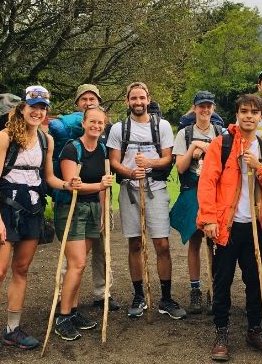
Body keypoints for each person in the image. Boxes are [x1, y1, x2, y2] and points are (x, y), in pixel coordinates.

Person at [0, 85, 73, 364]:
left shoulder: (46, 141)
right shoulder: (5, 136)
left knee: (22, 270)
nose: (38, 112)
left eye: (43, 108)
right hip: (5, 208)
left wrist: (67, 184)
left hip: (33, 209)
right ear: (23, 108)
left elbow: (49, 177)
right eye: (33, 106)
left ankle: (12, 330)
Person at [197, 94, 262, 361]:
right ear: (237, 114)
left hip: (255, 227)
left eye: (254, 112)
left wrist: (259, 167)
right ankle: (221, 333)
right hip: (226, 226)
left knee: (255, 281)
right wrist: (209, 218)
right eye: (244, 111)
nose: (249, 116)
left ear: (261, 117)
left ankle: (254, 329)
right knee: (222, 281)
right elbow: (207, 183)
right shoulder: (220, 145)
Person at [107, 81, 186, 320]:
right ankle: (139, 295)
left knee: (161, 244)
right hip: (130, 189)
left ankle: (166, 297)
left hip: (156, 188)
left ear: (148, 99)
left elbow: (167, 158)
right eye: (134, 98)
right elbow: (114, 161)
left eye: (142, 98)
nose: (138, 102)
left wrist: (149, 164)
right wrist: (130, 172)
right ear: (127, 101)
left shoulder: (161, 126)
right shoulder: (119, 129)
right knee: (134, 244)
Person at [53, 107, 114, 341]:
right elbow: (72, 184)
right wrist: (100, 186)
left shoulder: (101, 149)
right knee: (76, 264)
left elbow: (104, 187)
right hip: (71, 208)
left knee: (80, 264)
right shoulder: (72, 149)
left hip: (92, 209)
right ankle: (63, 315)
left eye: (100, 123)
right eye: (92, 122)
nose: (96, 126)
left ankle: (74, 310)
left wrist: (101, 212)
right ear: (84, 122)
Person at [170, 90, 224, 314]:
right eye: (201, 106)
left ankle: (215, 288)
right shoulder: (185, 133)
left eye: (209, 106)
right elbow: (180, 167)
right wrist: (193, 148)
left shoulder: (220, 132)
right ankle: (196, 290)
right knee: (195, 242)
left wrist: (209, 149)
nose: (205, 110)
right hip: (192, 190)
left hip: (214, 192)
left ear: (213, 108)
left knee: (215, 244)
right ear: (194, 108)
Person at [70, 84, 119, 311]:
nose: (89, 102)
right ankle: (66, 297)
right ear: (78, 104)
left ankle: (102, 293)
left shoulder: (102, 141)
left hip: (100, 200)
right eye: (84, 99)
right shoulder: (68, 134)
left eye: (92, 99)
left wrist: (103, 206)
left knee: (102, 248)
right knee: (75, 254)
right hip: (74, 202)